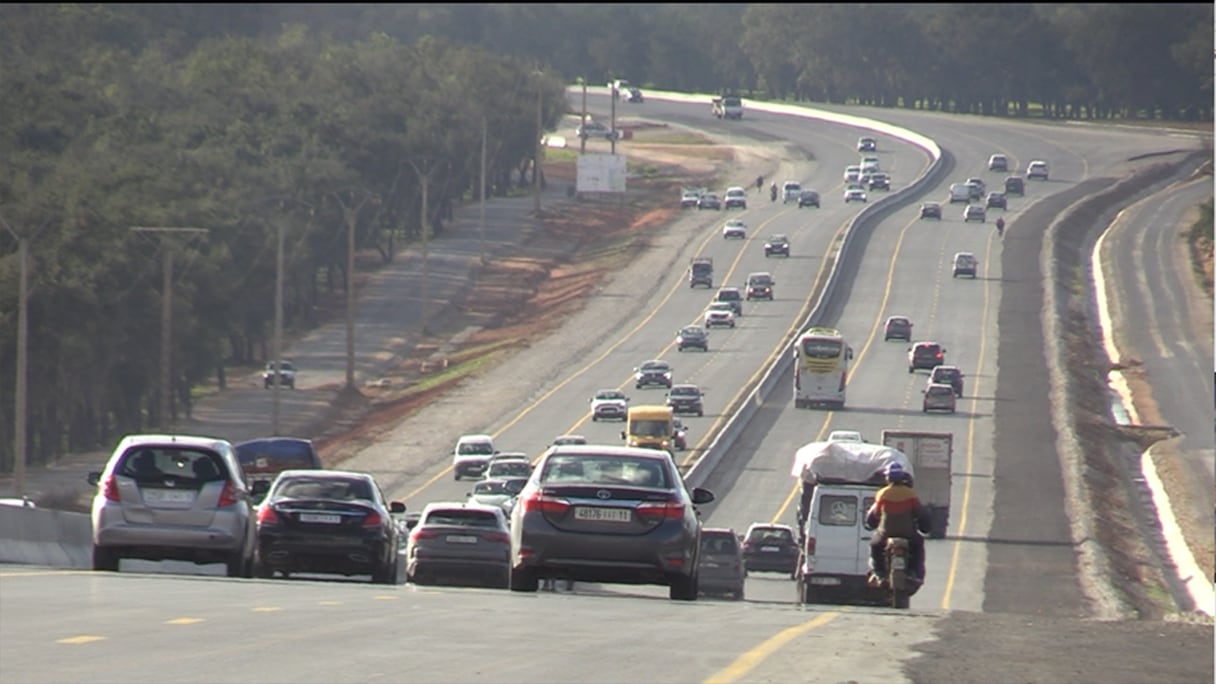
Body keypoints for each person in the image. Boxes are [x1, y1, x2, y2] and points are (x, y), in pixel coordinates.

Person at [864, 462, 929, 584]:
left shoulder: (882, 494)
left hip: (885, 533)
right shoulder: (910, 494)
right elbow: (920, 513)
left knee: (875, 545)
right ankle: (915, 573)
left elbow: (875, 514)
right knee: (918, 547)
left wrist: (871, 523)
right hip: (908, 534)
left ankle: (879, 574)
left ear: (888, 478)